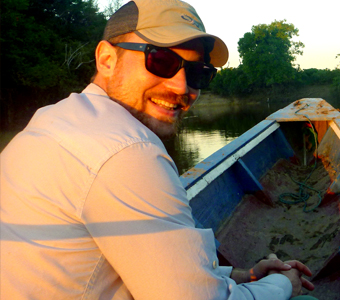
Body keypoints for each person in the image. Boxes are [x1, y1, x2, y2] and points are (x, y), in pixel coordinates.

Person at [0, 0, 315, 299]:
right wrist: (281, 284)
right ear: (107, 59)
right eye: (160, 61)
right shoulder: (127, 151)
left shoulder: (53, 120)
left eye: (197, 73)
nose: (181, 87)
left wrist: (242, 275)